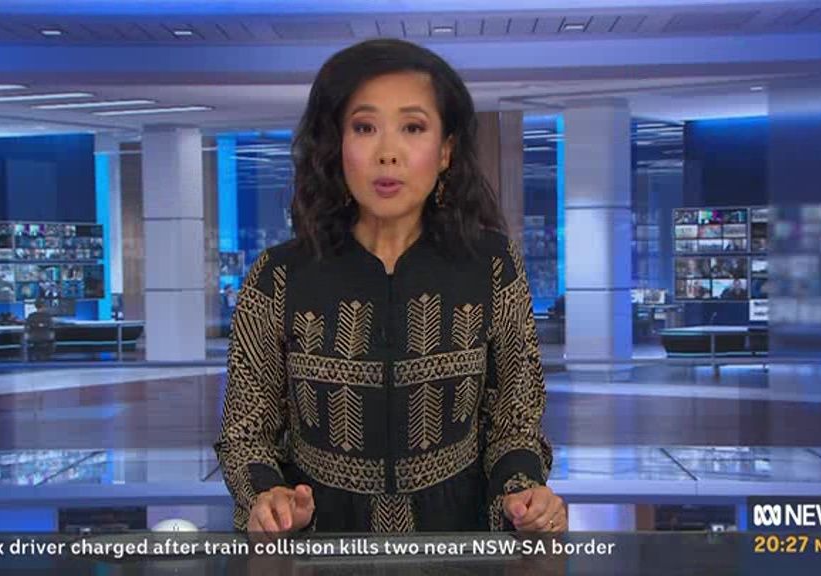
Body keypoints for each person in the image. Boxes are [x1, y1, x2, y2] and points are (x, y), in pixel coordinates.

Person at [215, 38, 562, 535]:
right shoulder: (277, 277)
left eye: (413, 128)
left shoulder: (493, 266)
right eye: (364, 127)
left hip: (458, 545)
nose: (387, 154)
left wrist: (523, 495)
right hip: (320, 546)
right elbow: (246, 434)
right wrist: (269, 498)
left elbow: (516, 422)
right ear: (336, 144)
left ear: (445, 150)